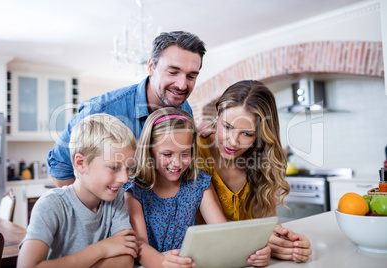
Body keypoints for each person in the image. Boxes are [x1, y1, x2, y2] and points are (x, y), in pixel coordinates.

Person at [48, 31, 206, 187]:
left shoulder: (184, 110)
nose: (182, 85)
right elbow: (59, 166)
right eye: (173, 72)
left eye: (191, 76)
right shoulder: (100, 109)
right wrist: (91, 211)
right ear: (151, 66)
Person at [123, 107, 272, 268]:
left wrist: (256, 250)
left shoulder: (198, 183)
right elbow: (139, 244)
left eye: (185, 154)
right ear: (150, 151)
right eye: (167, 154)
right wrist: (162, 263)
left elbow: (222, 230)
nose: (177, 163)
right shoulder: (135, 188)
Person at [197, 80, 312, 263]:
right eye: (227, 127)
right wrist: (259, 243)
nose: (233, 141)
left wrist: (288, 244)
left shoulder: (262, 161)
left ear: (260, 133)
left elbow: (267, 226)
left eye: (247, 134)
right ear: (218, 111)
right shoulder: (194, 153)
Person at [18, 114, 138, 268]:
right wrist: (102, 248)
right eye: (114, 167)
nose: (124, 178)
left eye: (128, 168)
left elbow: (126, 260)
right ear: (81, 163)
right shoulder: (51, 205)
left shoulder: (118, 198)